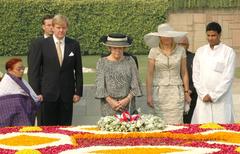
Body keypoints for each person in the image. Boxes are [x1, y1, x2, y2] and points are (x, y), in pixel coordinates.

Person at [28, 14, 83, 126]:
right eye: (58, 27)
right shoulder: (41, 44)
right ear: (52, 28)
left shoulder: (74, 44)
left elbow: (78, 70)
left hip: (67, 95)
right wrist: (36, 92)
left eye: (63, 27)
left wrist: (78, 92)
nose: (61, 30)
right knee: (46, 130)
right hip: (46, 96)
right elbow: (34, 71)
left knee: (66, 129)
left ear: (67, 28)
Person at [144, 23, 191, 124]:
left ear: (172, 36)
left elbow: (184, 73)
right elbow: (149, 74)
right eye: (163, 35)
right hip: (159, 93)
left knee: (176, 124)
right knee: (159, 123)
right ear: (159, 37)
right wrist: (149, 95)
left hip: (176, 92)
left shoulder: (181, 50)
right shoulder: (153, 51)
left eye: (168, 35)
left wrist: (186, 92)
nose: (166, 38)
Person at [191, 22, 236, 124]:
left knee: (223, 129)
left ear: (219, 35)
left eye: (213, 35)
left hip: (221, 100)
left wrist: (214, 95)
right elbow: (196, 75)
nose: (210, 38)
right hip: (203, 99)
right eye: (208, 35)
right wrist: (203, 94)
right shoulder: (200, 51)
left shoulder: (228, 52)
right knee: (202, 129)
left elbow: (228, 77)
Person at [95, 33, 142, 116]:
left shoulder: (130, 61)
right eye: (115, 48)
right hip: (108, 107)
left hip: (128, 106)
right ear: (109, 48)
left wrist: (126, 100)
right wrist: (111, 101)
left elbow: (136, 84)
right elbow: (100, 86)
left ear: (124, 48)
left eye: (120, 48)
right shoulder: (102, 62)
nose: (118, 51)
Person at [27, 14, 53, 126]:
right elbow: (33, 71)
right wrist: (36, 92)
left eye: (53, 25)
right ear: (43, 27)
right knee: (44, 124)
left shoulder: (63, 43)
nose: (51, 28)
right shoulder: (37, 44)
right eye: (48, 25)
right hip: (43, 93)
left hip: (58, 93)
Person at [0, 58, 40, 127]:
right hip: (12, 118)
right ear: (9, 70)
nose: (22, 71)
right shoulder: (6, 83)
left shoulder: (20, 80)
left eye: (23, 68)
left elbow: (30, 96)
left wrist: (36, 99)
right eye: (19, 69)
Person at [178, 36, 198, 124]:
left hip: (192, 94)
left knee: (189, 121)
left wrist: (190, 90)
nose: (182, 46)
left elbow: (198, 76)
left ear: (188, 45)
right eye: (180, 44)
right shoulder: (173, 58)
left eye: (184, 44)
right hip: (176, 93)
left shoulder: (194, 58)